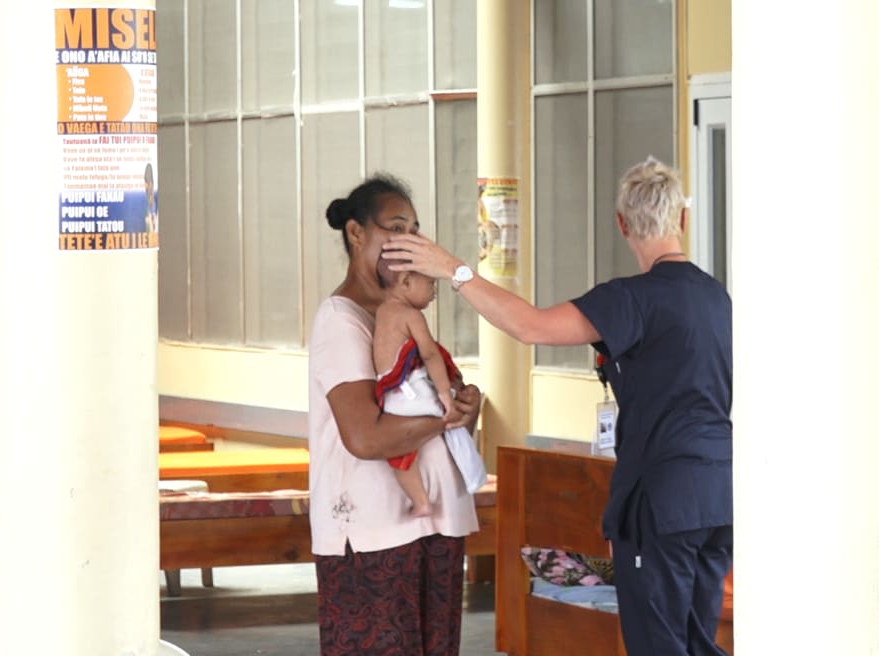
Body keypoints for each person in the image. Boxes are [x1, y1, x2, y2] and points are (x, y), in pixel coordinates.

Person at [383, 157, 733, 656]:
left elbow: (531, 327)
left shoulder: (632, 299)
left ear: (622, 224)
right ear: (681, 219)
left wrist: (454, 270)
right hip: (719, 496)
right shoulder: (717, 297)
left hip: (663, 498)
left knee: (660, 646)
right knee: (700, 642)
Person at [308, 173, 483, 655]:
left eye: (415, 231)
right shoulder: (342, 321)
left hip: (435, 522)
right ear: (356, 233)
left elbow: (426, 411)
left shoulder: (404, 313)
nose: (409, 242)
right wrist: (441, 417)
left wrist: (465, 409)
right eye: (396, 228)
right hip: (374, 532)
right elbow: (365, 437)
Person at [373, 258, 487, 517]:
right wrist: (445, 393)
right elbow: (430, 354)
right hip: (412, 392)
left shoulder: (381, 312)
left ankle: (421, 500)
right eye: (430, 283)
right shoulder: (411, 315)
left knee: (401, 455)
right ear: (405, 281)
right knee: (451, 421)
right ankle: (471, 476)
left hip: (395, 395)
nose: (434, 291)